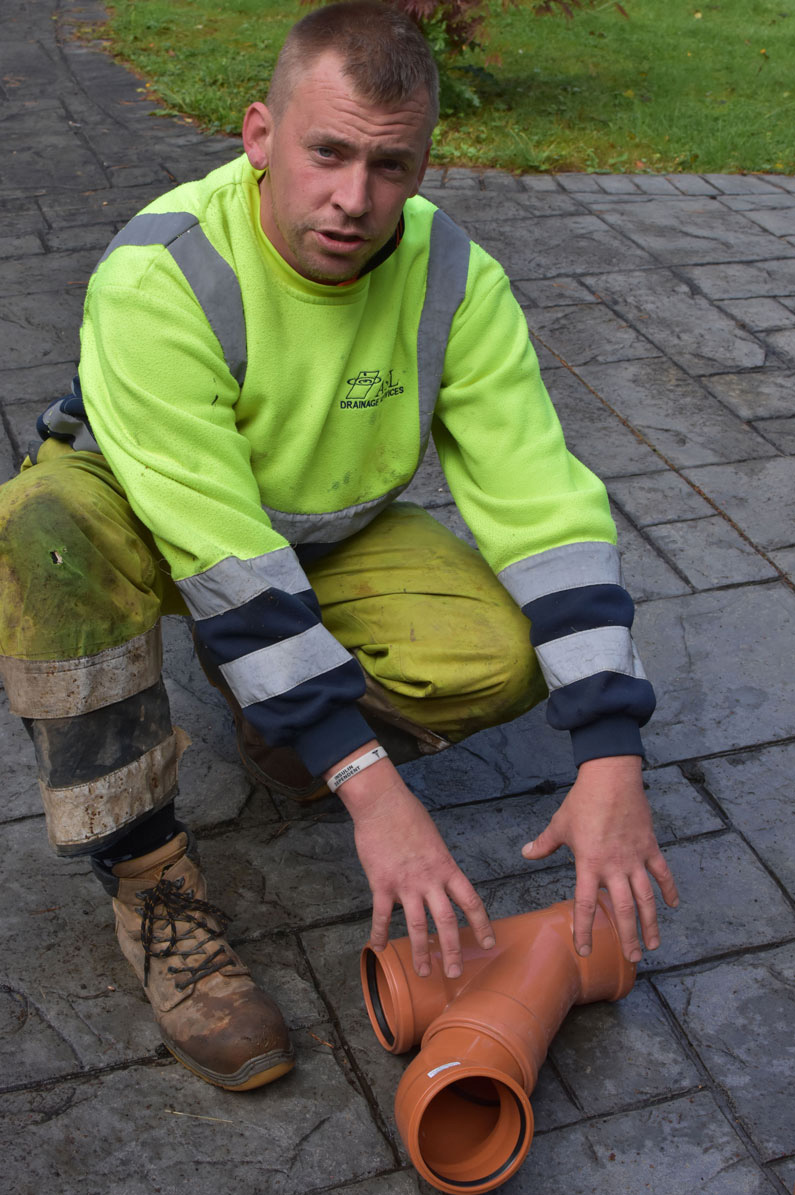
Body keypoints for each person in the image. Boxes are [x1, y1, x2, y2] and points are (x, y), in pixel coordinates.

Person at [0, 2, 678, 1093]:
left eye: (389, 165)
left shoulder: (457, 279)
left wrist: (608, 752)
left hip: (316, 530)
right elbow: (219, 550)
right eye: (325, 153)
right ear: (259, 134)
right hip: (138, 509)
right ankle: (148, 884)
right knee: (37, 530)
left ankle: (280, 723)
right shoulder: (160, 275)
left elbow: (543, 508)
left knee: (496, 653)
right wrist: (375, 791)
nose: (352, 201)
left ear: (423, 164)